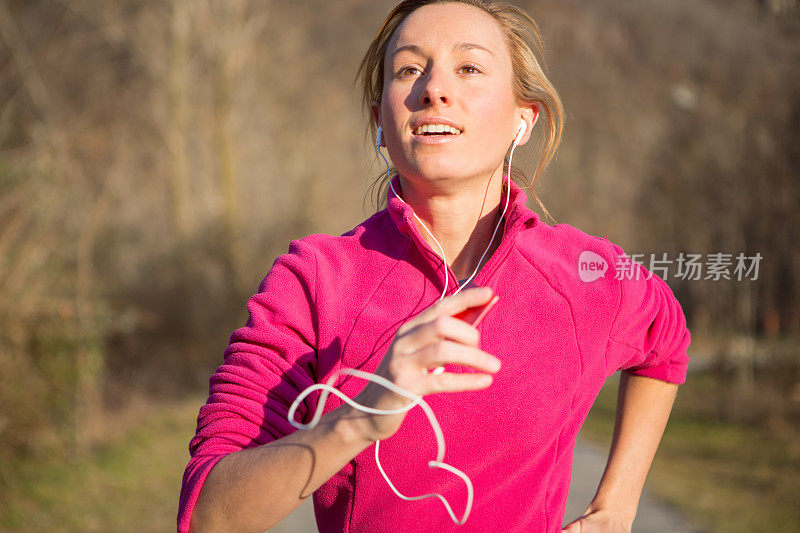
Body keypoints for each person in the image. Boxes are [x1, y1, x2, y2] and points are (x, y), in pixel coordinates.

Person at [177, 1, 691, 532]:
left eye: (468, 68)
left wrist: (617, 506)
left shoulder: (583, 273)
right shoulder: (314, 281)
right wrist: (361, 418)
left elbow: (665, 342)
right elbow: (209, 515)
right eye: (408, 69)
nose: (434, 89)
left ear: (524, 119)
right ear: (381, 121)